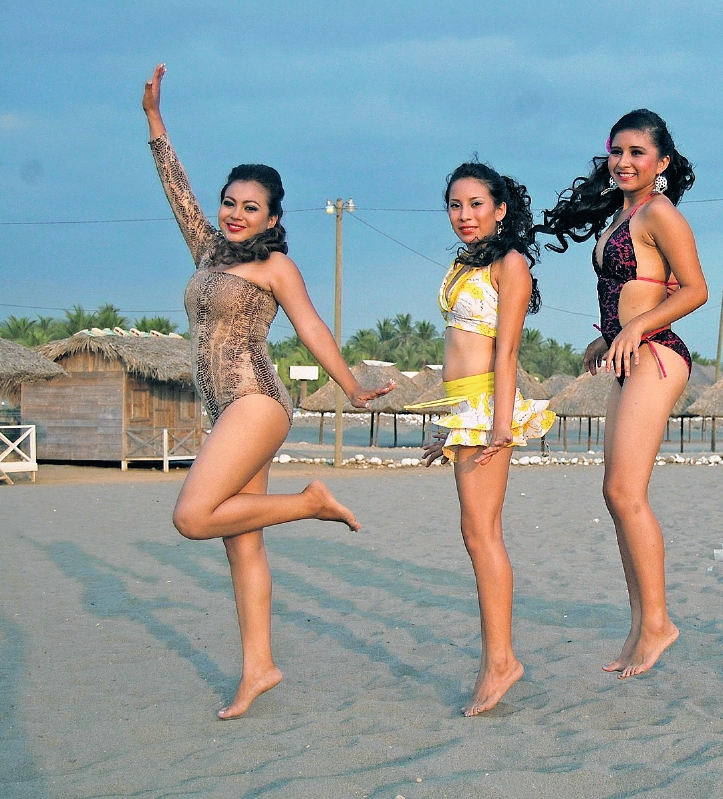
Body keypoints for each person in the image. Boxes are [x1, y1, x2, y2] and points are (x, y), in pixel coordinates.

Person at [142, 64, 393, 719]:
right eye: (231, 202)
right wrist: (155, 123)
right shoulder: (207, 250)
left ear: (273, 217)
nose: (234, 213)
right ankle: (259, 667)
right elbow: (177, 190)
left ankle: (310, 502)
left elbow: (310, 327)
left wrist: (354, 388)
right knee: (240, 539)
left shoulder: (274, 265)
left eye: (250, 207)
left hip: (257, 401)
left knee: (192, 516)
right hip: (225, 408)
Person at [538, 109, 708, 677]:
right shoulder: (620, 213)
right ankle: (641, 623)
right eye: (618, 151)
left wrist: (635, 328)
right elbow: (623, 288)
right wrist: (607, 338)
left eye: (638, 153)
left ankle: (659, 623)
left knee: (625, 490)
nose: (625, 162)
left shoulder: (660, 213)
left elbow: (695, 290)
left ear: (661, 162)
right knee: (614, 495)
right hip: (625, 354)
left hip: (657, 353)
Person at [417, 162, 555, 715]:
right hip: (465, 408)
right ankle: (497, 658)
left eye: (476, 204)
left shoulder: (510, 262)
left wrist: (499, 424)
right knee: (475, 533)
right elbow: (457, 348)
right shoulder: (462, 262)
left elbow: (508, 351)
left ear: (500, 209)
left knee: (482, 535)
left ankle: (501, 661)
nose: (464, 215)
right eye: (455, 205)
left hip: (487, 408)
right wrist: (449, 425)